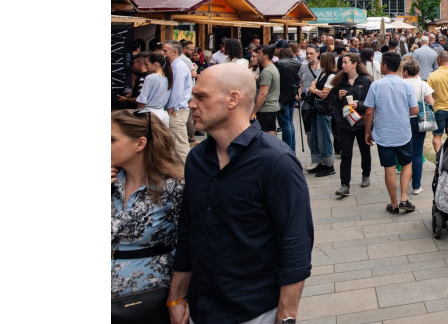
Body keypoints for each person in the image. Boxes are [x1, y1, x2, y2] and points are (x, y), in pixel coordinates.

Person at [168, 63, 313, 324]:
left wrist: (286, 317)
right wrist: (176, 296)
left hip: (253, 311)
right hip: (198, 308)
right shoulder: (197, 159)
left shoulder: (276, 162)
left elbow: (296, 245)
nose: (191, 104)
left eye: (201, 96)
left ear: (233, 99)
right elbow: (188, 230)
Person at [111, 109, 183, 316]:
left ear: (140, 144)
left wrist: (178, 298)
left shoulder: (173, 188)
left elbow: (188, 246)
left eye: (112, 139)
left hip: (146, 299)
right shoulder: (112, 182)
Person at [364, 53, 420, 214]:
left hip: (383, 133)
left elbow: (369, 111)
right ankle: (404, 198)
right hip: (403, 132)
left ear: (385, 66)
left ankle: (394, 203)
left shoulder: (376, 85)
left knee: (389, 168)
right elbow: (415, 110)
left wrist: (368, 131)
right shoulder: (406, 85)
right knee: (406, 164)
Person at [331, 54, 375, 196]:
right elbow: (333, 104)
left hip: (361, 122)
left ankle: (366, 174)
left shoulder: (366, 80)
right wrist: (338, 97)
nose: (342, 65)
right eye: (342, 63)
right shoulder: (339, 81)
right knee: (346, 154)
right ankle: (344, 185)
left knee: (364, 151)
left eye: (345, 62)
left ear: (355, 63)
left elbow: (371, 103)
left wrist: (359, 104)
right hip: (345, 123)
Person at [401, 56, 436, 195]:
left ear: (405, 71)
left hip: (403, 119)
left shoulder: (401, 83)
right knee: (417, 153)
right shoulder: (422, 84)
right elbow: (431, 102)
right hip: (418, 120)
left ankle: (405, 178)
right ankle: (416, 185)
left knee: (405, 152)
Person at [304, 50, 337, 177]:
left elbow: (325, 94)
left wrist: (314, 90)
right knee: (315, 137)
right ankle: (319, 162)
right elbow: (312, 87)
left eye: (322, 59)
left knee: (324, 137)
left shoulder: (331, 76)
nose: (319, 60)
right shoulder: (323, 73)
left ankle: (328, 164)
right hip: (317, 109)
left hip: (324, 110)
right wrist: (316, 91)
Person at [164, 42, 196, 159]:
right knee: (175, 143)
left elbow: (177, 90)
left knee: (180, 144)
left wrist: (171, 107)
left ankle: (186, 172)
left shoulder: (178, 66)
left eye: (165, 51)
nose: (163, 54)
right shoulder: (175, 65)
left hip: (177, 109)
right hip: (178, 108)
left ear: (175, 52)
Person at [250, 46, 284, 146]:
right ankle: (275, 154)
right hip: (271, 107)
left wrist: (254, 112)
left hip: (265, 109)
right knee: (270, 133)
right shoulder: (272, 68)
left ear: (265, 56)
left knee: (259, 137)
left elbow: (263, 93)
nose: (257, 55)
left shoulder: (267, 71)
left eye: (259, 53)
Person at [428, 50, 448, 152]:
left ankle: (439, 158)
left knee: (437, 137)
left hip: (439, 109)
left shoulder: (433, 75)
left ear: (438, 60)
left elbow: (428, 94)